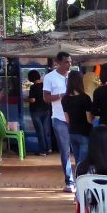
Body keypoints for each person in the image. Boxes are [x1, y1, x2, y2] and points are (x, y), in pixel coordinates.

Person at [43, 50, 75, 192]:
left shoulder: (73, 77)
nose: (69, 64)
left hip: (75, 118)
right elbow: (46, 98)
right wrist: (61, 95)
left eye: (70, 62)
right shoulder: (50, 77)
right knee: (65, 151)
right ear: (58, 63)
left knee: (79, 150)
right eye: (66, 62)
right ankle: (69, 181)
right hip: (59, 118)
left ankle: (80, 179)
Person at [62, 69, 93, 168]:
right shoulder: (85, 98)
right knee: (83, 162)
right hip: (84, 133)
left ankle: (77, 180)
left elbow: (67, 120)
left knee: (77, 160)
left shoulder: (65, 99)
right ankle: (81, 181)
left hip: (72, 133)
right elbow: (89, 120)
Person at [27, 70, 52, 155]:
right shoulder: (45, 85)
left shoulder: (33, 87)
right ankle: (48, 148)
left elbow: (32, 100)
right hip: (46, 110)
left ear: (31, 78)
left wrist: (26, 99)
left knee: (39, 131)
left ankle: (42, 151)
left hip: (36, 111)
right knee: (45, 131)